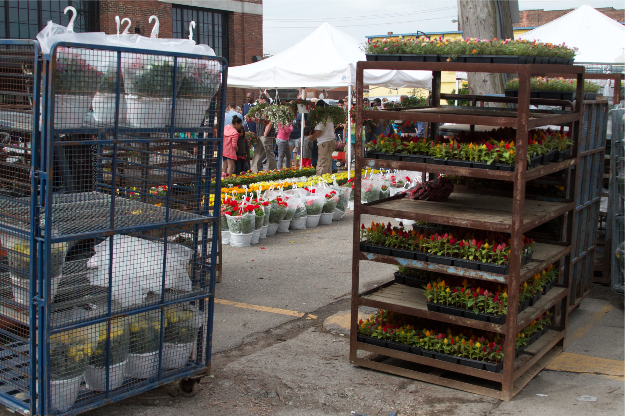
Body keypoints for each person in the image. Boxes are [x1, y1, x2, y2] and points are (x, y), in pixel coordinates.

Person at [250, 94, 277, 172]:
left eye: (259, 100)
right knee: (258, 152)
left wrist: (265, 134)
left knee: (269, 152)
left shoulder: (268, 109)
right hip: (260, 133)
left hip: (266, 135)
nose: (257, 102)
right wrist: (252, 119)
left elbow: (270, 122)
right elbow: (261, 121)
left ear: (264, 99)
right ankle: (254, 170)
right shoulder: (260, 109)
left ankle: (272, 170)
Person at [308, 100, 336, 176]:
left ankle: (319, 180)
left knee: (322, 163)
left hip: (324, 142)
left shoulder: (321, 118)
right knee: (328, 163)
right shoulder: (329, 116)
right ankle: (327, 180)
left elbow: (318, 131)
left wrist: (311, 138)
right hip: (331, 140)